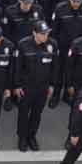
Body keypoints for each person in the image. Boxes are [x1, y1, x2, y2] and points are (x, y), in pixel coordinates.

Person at [15, 20, 59, 151]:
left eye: (47, 33)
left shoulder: (52, 44)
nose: (45, 36)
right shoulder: (23, 44)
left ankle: (31, 136)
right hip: (26, 86)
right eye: (42, 34)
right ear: (34, 33)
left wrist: (52, 84)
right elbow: (17, 67)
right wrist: (17, 86)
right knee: (23, 113)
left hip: (43, 86)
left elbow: (55, 66)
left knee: (37, 113)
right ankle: (22, 137)